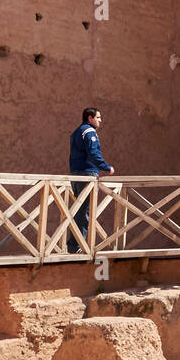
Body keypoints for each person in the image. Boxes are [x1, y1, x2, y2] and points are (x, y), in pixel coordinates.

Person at [68, 107, 114, 253]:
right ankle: (79, 246)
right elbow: (93, 153)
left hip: (75, 174)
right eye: (98, 118)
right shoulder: (89, 132)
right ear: (90, 118)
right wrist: (106, 167)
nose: (100, 120)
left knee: (79, 210)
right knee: (84, 211)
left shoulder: (76, 132)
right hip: (86, 174)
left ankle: (74, 246)